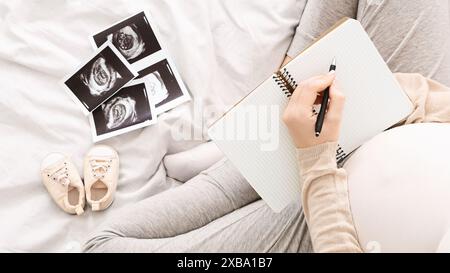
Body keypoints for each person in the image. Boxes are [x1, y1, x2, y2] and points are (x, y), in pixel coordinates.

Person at [83, 0, 450, 253]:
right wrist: (414, 98)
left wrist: (316, 158)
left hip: (337, 219)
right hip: (404, 123)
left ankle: (251, 144)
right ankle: (279, 94)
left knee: (104, 245)